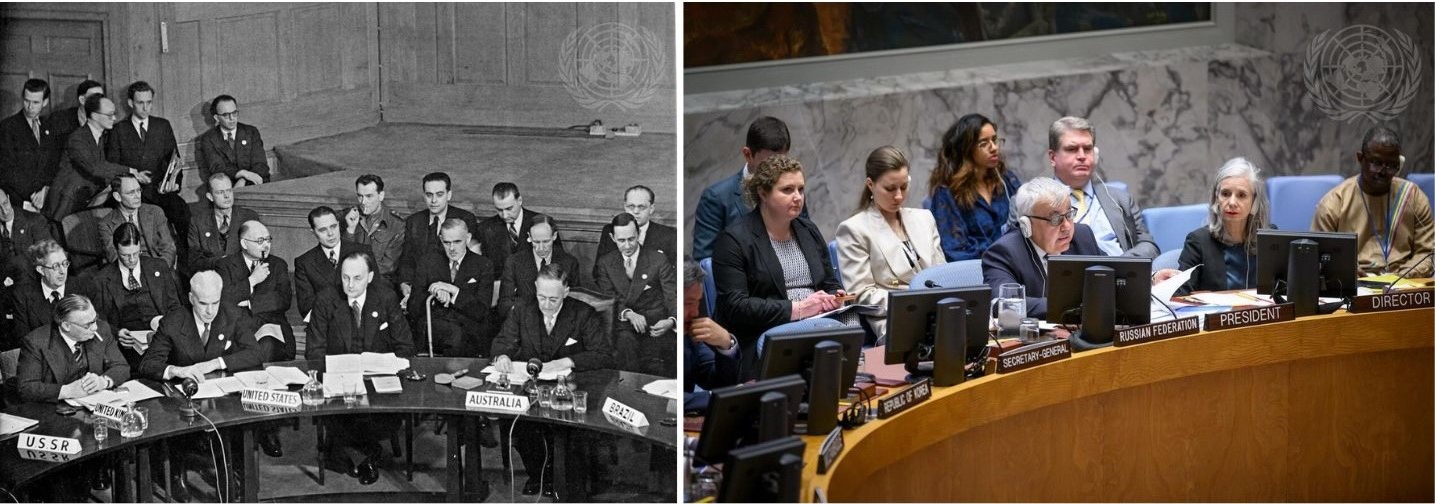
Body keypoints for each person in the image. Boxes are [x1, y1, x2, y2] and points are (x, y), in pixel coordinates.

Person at [712, 154, 845, 378]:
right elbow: (736, 305)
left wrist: (834, 296)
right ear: (763, 193)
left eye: (801, 189)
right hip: (764, 332)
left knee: (852, 323)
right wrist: (799, 309)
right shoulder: (733, 240)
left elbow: (829, 281)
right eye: (787, 190)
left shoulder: (807, 229)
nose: (798, 197)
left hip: (817, 321)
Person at [138, 270, 281, 475]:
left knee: (240, 429)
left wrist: (217, 362)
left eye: (215, 302)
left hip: (222, 399)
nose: (210, 311)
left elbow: (255, 353)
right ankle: (178, 476)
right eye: (203, 303)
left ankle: (237, 479)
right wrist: (177, 370)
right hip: (184, 402)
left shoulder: (233, 314)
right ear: (191, 298)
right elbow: (148, 364)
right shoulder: (173, 321)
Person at [491, 264, 610, 498]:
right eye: (541, 297)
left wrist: (567, 361)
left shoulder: (583, 313)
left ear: (566, 292)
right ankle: (539, 476)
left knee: (570, 432)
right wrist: (502, 355)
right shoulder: (522, 309)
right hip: (533, 389)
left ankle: (565, 481)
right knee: (522, 424)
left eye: (553, 299)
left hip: (570, 389)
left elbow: (603, 353)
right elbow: (502, 341)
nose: (546, 304)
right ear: (535, 288)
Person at [306, 250, 412, 485]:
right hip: (340, 381)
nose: (350, 285)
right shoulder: (326, 300)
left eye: (357, 278)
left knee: (377, 412)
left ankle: (353, 453)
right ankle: (368, 455)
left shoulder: (386, 298)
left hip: (378, 380)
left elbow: (405, 346)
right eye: (345, 278)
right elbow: (313, 352)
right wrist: (334, 370)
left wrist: (389, 365)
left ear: (370, 277)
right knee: (345, 412)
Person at [837, 146, 944, 340]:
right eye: (890, 188)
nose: (898, 196)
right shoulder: (854, 229)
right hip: (895, 321)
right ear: (870, 184)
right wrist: (916, 303)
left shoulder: (924, 218)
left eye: (904, 187)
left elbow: (942, 274)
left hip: (940, 314)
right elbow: (862, 295)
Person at [1312, 126, 1434, 278]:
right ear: (1360, 158)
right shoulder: (1334, 203)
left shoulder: (1413, 197)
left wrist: (1402, 277)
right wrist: (1346, 270)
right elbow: (1319, 258)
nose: (1383, 172)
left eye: (1391, 165)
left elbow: (1427, 253)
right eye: (1376, 163)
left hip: (1403, 283)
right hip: (1354, 286)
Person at [980, 177, 1102, 319]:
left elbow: (1114, 280)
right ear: (1027, 224)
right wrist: (1076, 307)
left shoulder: (1083, 236)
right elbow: (1003, 304)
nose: (1067, 227)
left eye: (1069, 215)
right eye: (1055, 219)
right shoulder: (1003, 253)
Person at [1153, 158, 1273, 294]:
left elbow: (1285, 289)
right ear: (1216, 198)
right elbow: (1180, 295)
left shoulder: (1269, 239)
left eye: (1241, 195)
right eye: (1225, 194)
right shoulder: (1198, 242)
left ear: (1255, 203)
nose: (1232, 202)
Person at [692, 116, 804, 260]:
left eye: (781, 161)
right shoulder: (716, 198)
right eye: (767, 163)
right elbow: (705, 262)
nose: (775, 170)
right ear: (748, 154)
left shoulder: (794, 192)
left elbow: (806, 240)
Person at [1046, 116, 1158, 258]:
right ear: (1052, 157)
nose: (1081, 156)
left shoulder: (1120, 199)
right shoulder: (1033, 202)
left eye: (1087, 149)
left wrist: (1121, 264)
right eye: (1072, 149)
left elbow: (1148, 245)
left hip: (1120, 276)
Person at [106, 81, 189, 259]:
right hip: (135, 194)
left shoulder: (162, 126)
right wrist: (134, 178)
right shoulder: (119, 130)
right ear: (130, 103)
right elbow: (113, 165)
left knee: (183, 213)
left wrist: (174, 184)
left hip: (162, 191)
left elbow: (175, 160)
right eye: (140, 103)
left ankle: (185, 263)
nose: (145, 107)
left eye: (149, 102)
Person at [926, 113, 1023, 261]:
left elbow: (1028, 220)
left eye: (995, 140)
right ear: (966, 150)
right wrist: (998, 257)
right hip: (974, 272)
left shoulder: (1006, 179)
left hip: (1014, 265)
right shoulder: (947, 193)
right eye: (984, 143)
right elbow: (954, 251)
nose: (994, 147)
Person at [594, 212, 677, 376]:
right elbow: (608, 299)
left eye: (631, 239)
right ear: (612, 238)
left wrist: (672, 321)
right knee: (625, 344)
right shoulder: (605, 263)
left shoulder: (658, 260)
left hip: (656, 325)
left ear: (638, 234)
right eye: (621, 240)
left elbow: (672, 296)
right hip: (624, 325)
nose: (627, 245)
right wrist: (629, 314)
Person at [44, 94, 148, 221]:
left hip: (82, 199)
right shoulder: (77, 138)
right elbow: (95, 168)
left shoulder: (100, 136)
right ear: (93, 115)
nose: (114, 118)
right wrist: (130, 171)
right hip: (65, 203)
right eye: (109, 115)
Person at [92, 223, 182, 367]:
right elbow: (98, 320)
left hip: (161, 337)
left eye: (136, 253)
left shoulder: (159, 266)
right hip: (127, 345)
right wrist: (117, 333)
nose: (132, 259)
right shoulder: (101, 279)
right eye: (125, 255)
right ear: (116, 249)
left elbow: (174, 306)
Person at [16, 293, 128, 402]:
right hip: (55, 410)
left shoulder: (102, 329)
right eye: (87, 325)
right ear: (66, 326)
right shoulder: (36, 342)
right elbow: (26, 388)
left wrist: (102, 382)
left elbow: (121, 366)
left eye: (95, 319)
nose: (95, 327)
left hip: (95, 404)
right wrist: (67, 391)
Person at [409, 218, 494, 356]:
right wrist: (435, 295)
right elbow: (413, 308)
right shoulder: (427, 262)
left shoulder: (483, 265)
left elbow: (481, 311)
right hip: (434, 330)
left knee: (459, 336)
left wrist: (454, 291)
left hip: (468, 334)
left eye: (457, 242)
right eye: (447, 242)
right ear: (441, 239)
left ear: (468, 238)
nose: (452, 248)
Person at [215, 220, 293, 361]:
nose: (266, 245)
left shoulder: (278, 265)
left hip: (270, 327)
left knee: (267, 347)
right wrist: (251, 281)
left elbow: (283, 300)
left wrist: (250, 303)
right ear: (244, 244)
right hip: (236, 329)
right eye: (260, 241)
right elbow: (223, 299)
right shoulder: (224, 265)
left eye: (268, 240)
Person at [397, 172, 478, 305]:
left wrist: (444, 288)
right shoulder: (414, 221)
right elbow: (407, 260)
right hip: (419, 289)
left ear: (449, 195)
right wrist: (404, 284)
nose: (434, 200)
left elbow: (470, 263)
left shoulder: (465, 219)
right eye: (429, 195)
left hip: (449, 291)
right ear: (424, 196)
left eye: (439, 194)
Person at [295, 206, 372, 321]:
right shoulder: (305, 262)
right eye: (323, 230)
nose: (330, 233)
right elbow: (306, 307)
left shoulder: (363, 252)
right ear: (313, 232)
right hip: (326, 327)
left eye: (333, 226)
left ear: (339, 224)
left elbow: (375, 294)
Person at [0, 187, 55, 348]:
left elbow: (48, 258)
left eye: (5, 203)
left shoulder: (34, 221)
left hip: (32, 286)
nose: (4, 211)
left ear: (9, 198)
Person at [682, 257, 739, 413]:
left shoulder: (689, 336)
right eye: (687, 303)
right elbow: (662, 399)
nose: (695, 312)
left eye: (698, 302)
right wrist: (714, 397)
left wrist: (726, 344)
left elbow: (720, 382)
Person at [496, 215, 578, 319]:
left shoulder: (569, 263)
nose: (541, 248)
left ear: (554, 236)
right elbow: (505, 304)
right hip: (523, 322)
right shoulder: (514, 262)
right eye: (536, 242)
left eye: (546, 242)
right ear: (529, 237)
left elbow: (574, 303)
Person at [477, 182, 564, 280]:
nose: (505, 215)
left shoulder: (542, 224)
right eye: (499, 210)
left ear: (520, 200)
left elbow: (558, 260)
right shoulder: (485, 228)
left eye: (509, 208)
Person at [9, 239, 94, 336]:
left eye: (65, 264)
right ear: (41, 270)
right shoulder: (23, 297)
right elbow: (25, 339)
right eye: (55, 266)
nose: (63, 271)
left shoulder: (84, 287)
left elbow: (98, 329)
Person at [0, 79, 60, 208]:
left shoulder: (49, 126)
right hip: (18, 199)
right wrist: (32, 194)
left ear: (45, 102)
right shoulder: (8, 127)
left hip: (44, 198)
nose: (30, 107)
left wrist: (46, 189)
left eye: (35, 102)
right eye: (27, 101)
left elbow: (53, 162)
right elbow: (7, 169)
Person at [97, 173, 178, 268]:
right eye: (131, 192)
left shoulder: (155, 212)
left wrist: (160, 270)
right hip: (130, 273)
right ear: (117, 196)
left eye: (138, 190)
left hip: (158, 267)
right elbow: (114, 258)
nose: (137, 196)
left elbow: (169, 248)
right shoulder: (106, 224)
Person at [186, 173, 261, 276]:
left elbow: (258, 253)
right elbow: (194, 261)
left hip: (243, 277)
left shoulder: (249, 217)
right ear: (210, 197)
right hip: (213, 278)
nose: (227, 196)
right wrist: (219, 262)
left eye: (229, 190)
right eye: (220, 192)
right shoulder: (198, 222)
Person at [594, 184, 679, 275]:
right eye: (631, 206)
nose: (636, 212)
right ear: (625, 207)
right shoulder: (609, 230)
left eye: (641, 207)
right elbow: (598, 272)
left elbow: (673, 276)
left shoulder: (670, 235)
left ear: (651, 208)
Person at [195, 94, 268, 187]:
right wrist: (242, 173)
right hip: (227, 187)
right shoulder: (208, 138)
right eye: (226, 115)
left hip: (255, 183)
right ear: (217, 118)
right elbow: (217, 168)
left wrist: (243, 180)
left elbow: (260, 164)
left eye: (234, 113)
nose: (232, 118)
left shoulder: (251, 132)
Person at [342, 174, 405, 283]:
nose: (363, 202)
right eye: (360, 196)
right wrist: (350, 230)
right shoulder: (348, 216)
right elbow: (341, 255)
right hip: (349, 279)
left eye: (369, 196)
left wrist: (360, 278)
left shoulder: (397, 225)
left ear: (381, 196)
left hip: (379, 282)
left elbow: (388, 267)